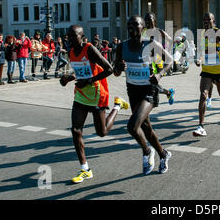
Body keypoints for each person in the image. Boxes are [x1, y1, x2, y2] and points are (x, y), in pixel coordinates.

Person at [60, 25, 127, 184]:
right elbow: (81, 70)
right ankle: (85, 169)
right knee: (76, 131)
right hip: (81, 96)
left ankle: (117, 105)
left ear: (82, 38)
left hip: (97, 94)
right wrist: (68, 79)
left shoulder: (89, 49)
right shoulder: (70, 52)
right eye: (68, 36)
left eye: (73, 36)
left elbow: (109, 69)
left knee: (102, 132)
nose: (69, 39)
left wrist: (89, 81)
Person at [113, 15, 173, 175]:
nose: (132, 27)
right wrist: (119, 67)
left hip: (149, 90)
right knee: (146, 128)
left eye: (136, 24)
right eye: (129, 25)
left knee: (132, 126)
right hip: (133, 91)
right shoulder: (121, 47)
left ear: (142, 28)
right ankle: (163, 154)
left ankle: (147, 151)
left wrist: (159, 75)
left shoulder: (151, 44)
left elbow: (170, 61)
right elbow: (116, 72)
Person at [143, 12, 175, 105]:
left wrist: (165, 50)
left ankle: (162, 96)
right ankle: (168, 93)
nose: (148, 21)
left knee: (152, 83)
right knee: (150, 83)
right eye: (146, 20)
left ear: (154, 20)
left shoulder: (159, 31)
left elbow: (170, 40)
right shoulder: (143, 31)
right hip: (147, 61)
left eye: (150, 19)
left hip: (157, 62)